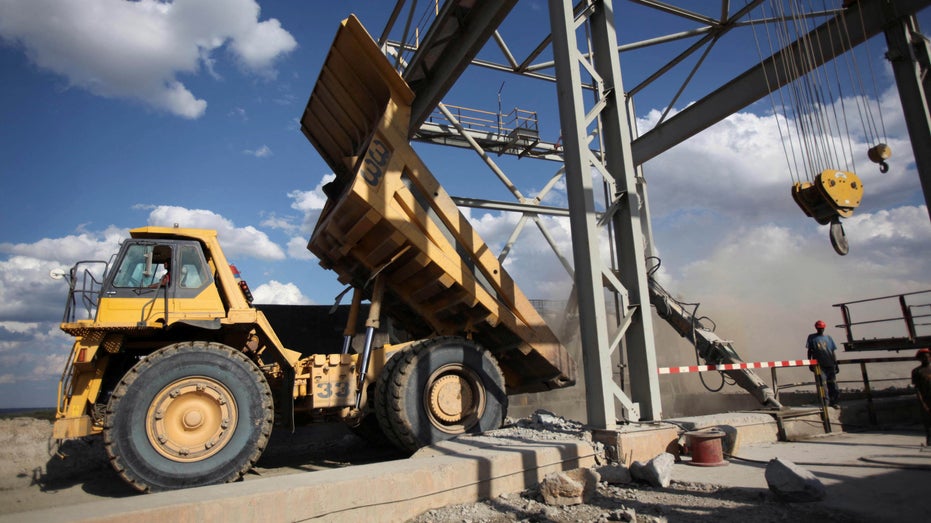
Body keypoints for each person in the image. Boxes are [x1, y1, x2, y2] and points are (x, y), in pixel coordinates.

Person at [806, 320, 840, 407]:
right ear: (816, 328)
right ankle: (825, 403)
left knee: (833, 383)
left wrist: (836, 364)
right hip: (819, 366)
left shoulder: (828, 338)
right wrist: (810, 362)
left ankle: (834, 402)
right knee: (822, 384)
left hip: (830, 364)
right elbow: (810, 351)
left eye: (821, 328)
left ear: (824, 328)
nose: (820, 330)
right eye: (819, 328)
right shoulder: (812, 338)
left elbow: (832, 352)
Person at [912, 348, 931, 446]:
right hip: (926, 399)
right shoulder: (916, 372)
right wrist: (922, 402)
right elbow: (917, 389)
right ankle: (929, 439)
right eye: (924, 357)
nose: (926, 358)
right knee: (927, 420)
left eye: (928, 356)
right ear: (920, 359)